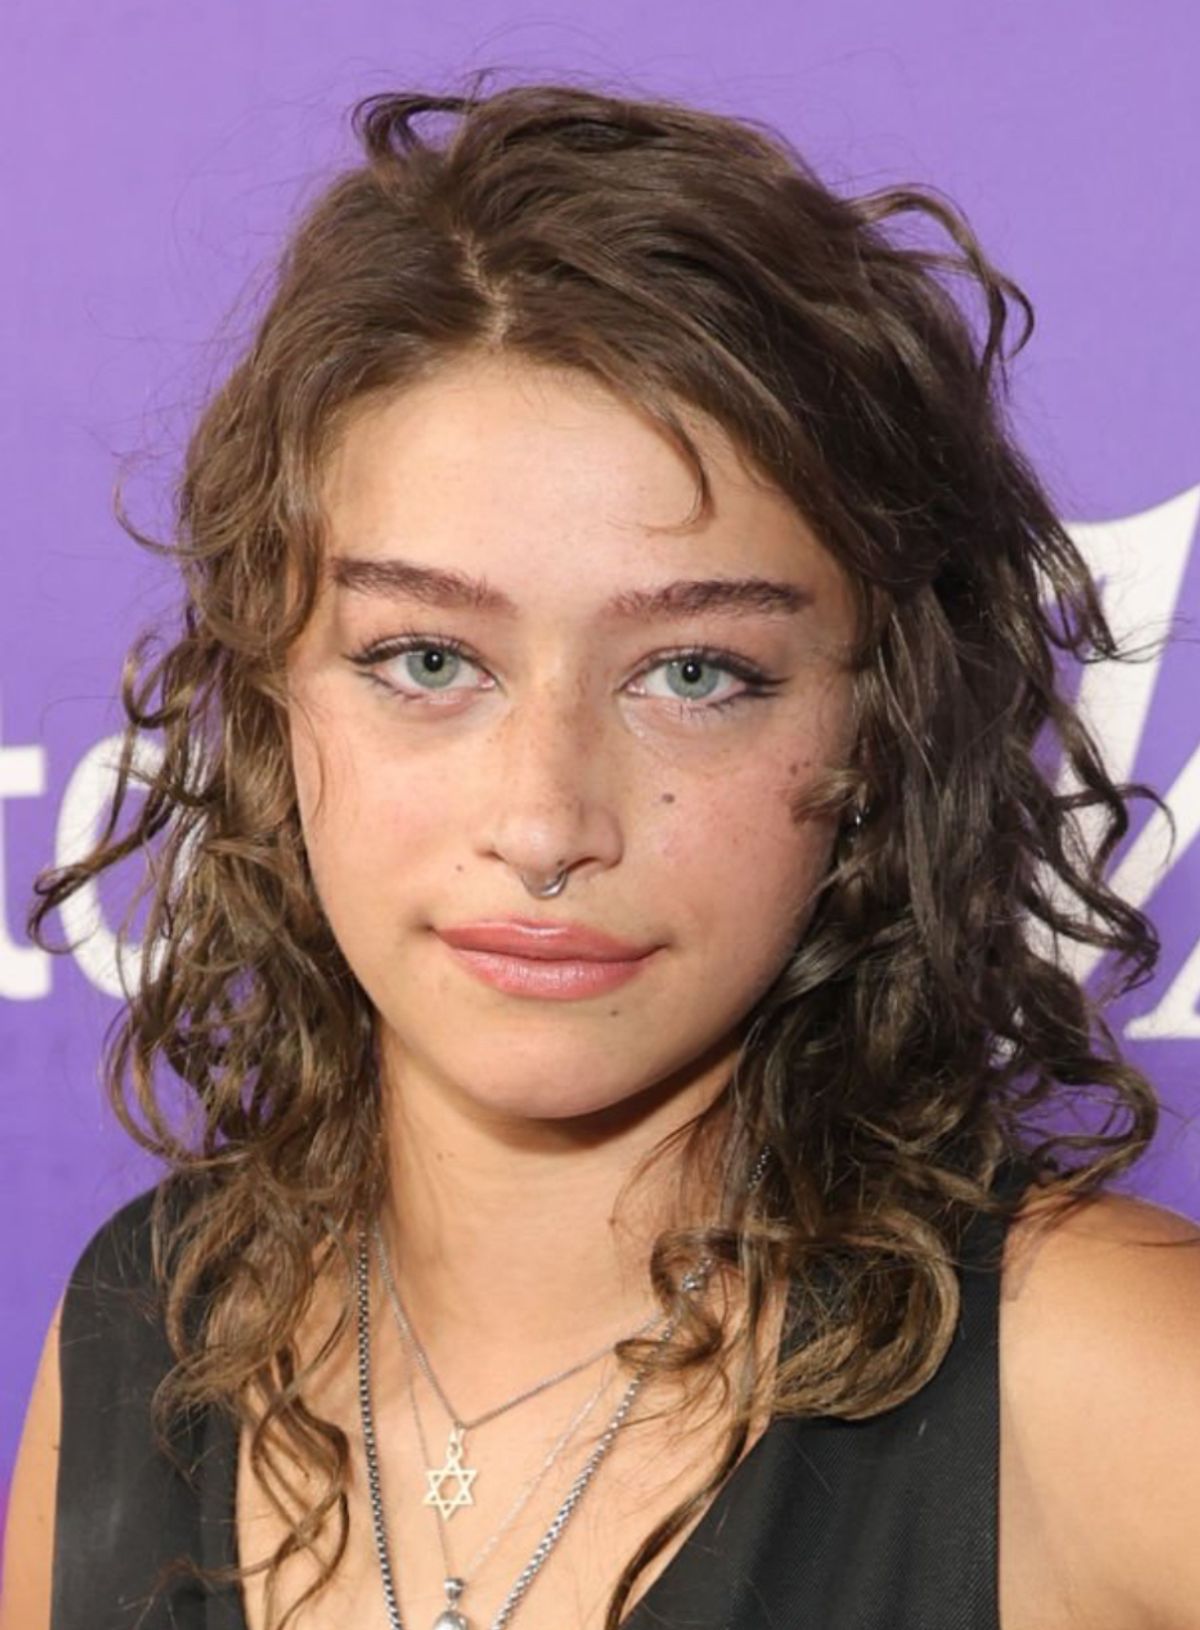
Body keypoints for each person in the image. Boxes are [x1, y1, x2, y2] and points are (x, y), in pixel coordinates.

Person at [3, 74, 1198, 1630]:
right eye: (428, 658)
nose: (547, 821)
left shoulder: (1106, 1374)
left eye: (695, 673)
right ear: (273, 696)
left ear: (879, 727)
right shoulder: (143, 1325)